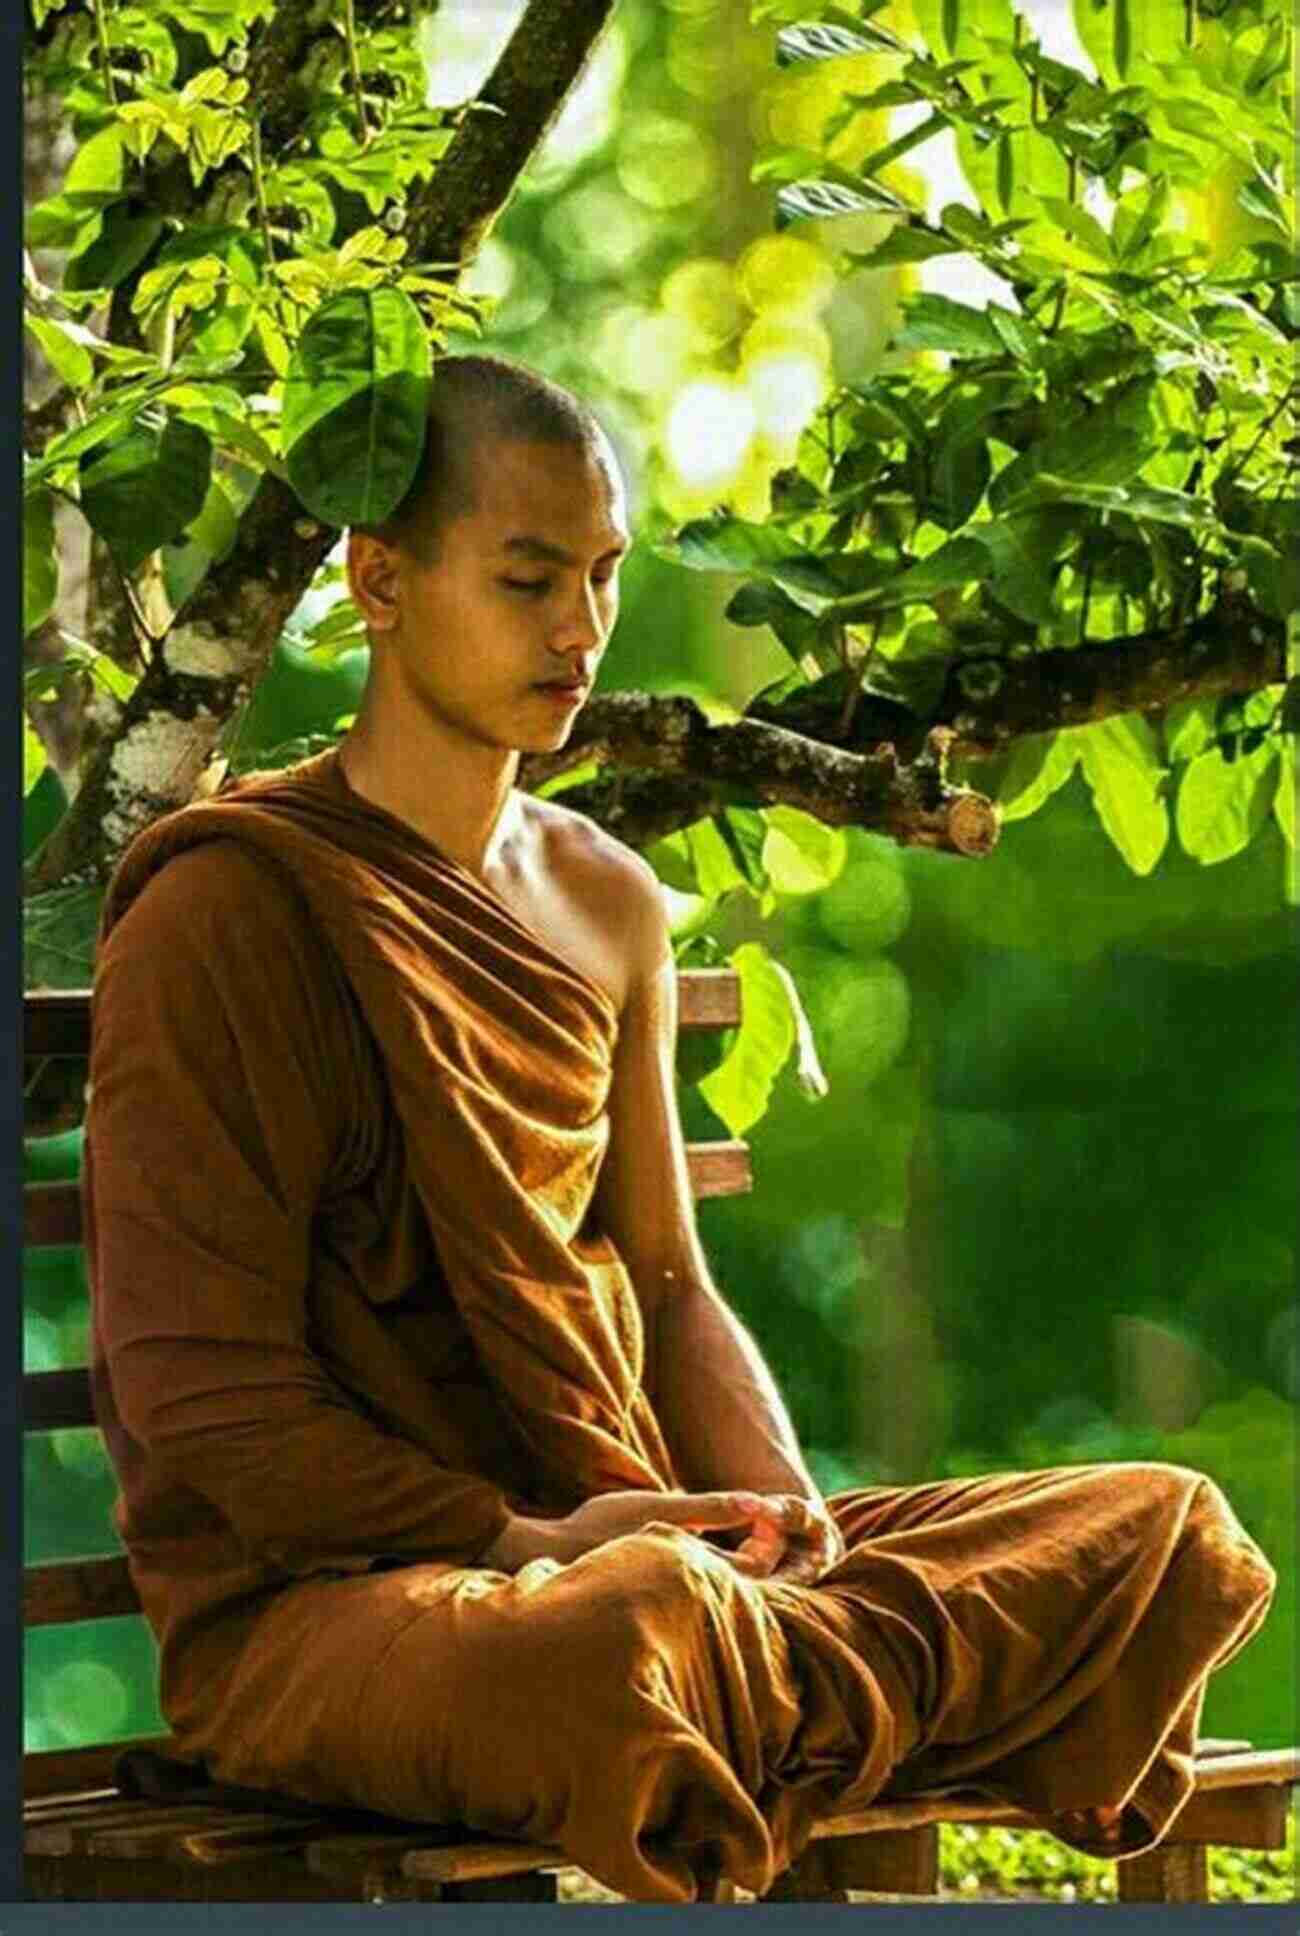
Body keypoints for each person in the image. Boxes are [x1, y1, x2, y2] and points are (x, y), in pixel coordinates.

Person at [84, 354, 1276, 1904]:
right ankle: (800, 1679)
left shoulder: (604, 898)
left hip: (643, 1560)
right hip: (351, 1617)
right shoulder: (230, 906)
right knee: (616, 1637)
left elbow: (665, 1279)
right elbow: (207, 1409)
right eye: (527, 581)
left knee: (1161, 1527)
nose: (580, 634)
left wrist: (796, 1536)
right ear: (380, 580)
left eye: (600, 577)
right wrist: (532, 1540)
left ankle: (774, 1662)